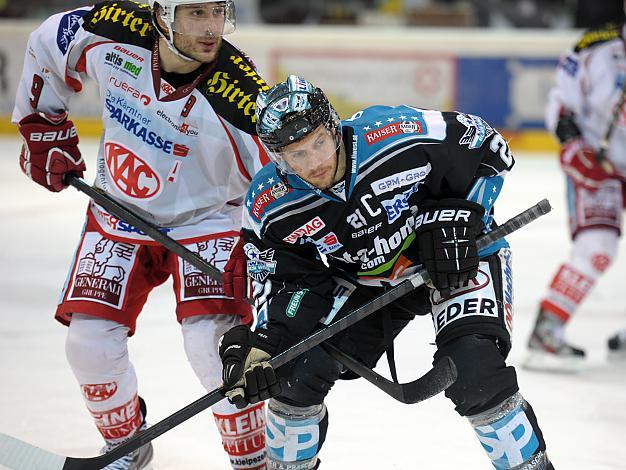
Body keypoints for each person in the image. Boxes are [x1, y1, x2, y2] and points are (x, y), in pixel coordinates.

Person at [216, 75, 555, 469]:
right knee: (295, 377)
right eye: (298, 155)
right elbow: (287, 282)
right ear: (277, 157)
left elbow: (488, 146)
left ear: (333, 125)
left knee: (476, 372)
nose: (317, 163)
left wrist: (462, 219)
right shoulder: (269, 204)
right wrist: (269, 341)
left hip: (455, 257)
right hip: (366, 277)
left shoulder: (399, 133)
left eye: (319, 143)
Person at [12, 1, 270, 468]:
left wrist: (289, 261)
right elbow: (49, 42)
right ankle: (126, 447)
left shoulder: (242, 93)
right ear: (160, 13)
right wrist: (41, 124)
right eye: (195, 14)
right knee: (87, 345)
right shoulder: (110, 27)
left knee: (216, 352)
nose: (212, 28)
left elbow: (285, 187)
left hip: (209, 222)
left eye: (218, 13)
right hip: (119, 212)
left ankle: (255, 461)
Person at [523, 16, 626, 372]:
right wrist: (573, 146)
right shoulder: (594, 47)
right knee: (596, 250)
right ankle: (548, 329)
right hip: (600, 166)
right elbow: (563, 106)